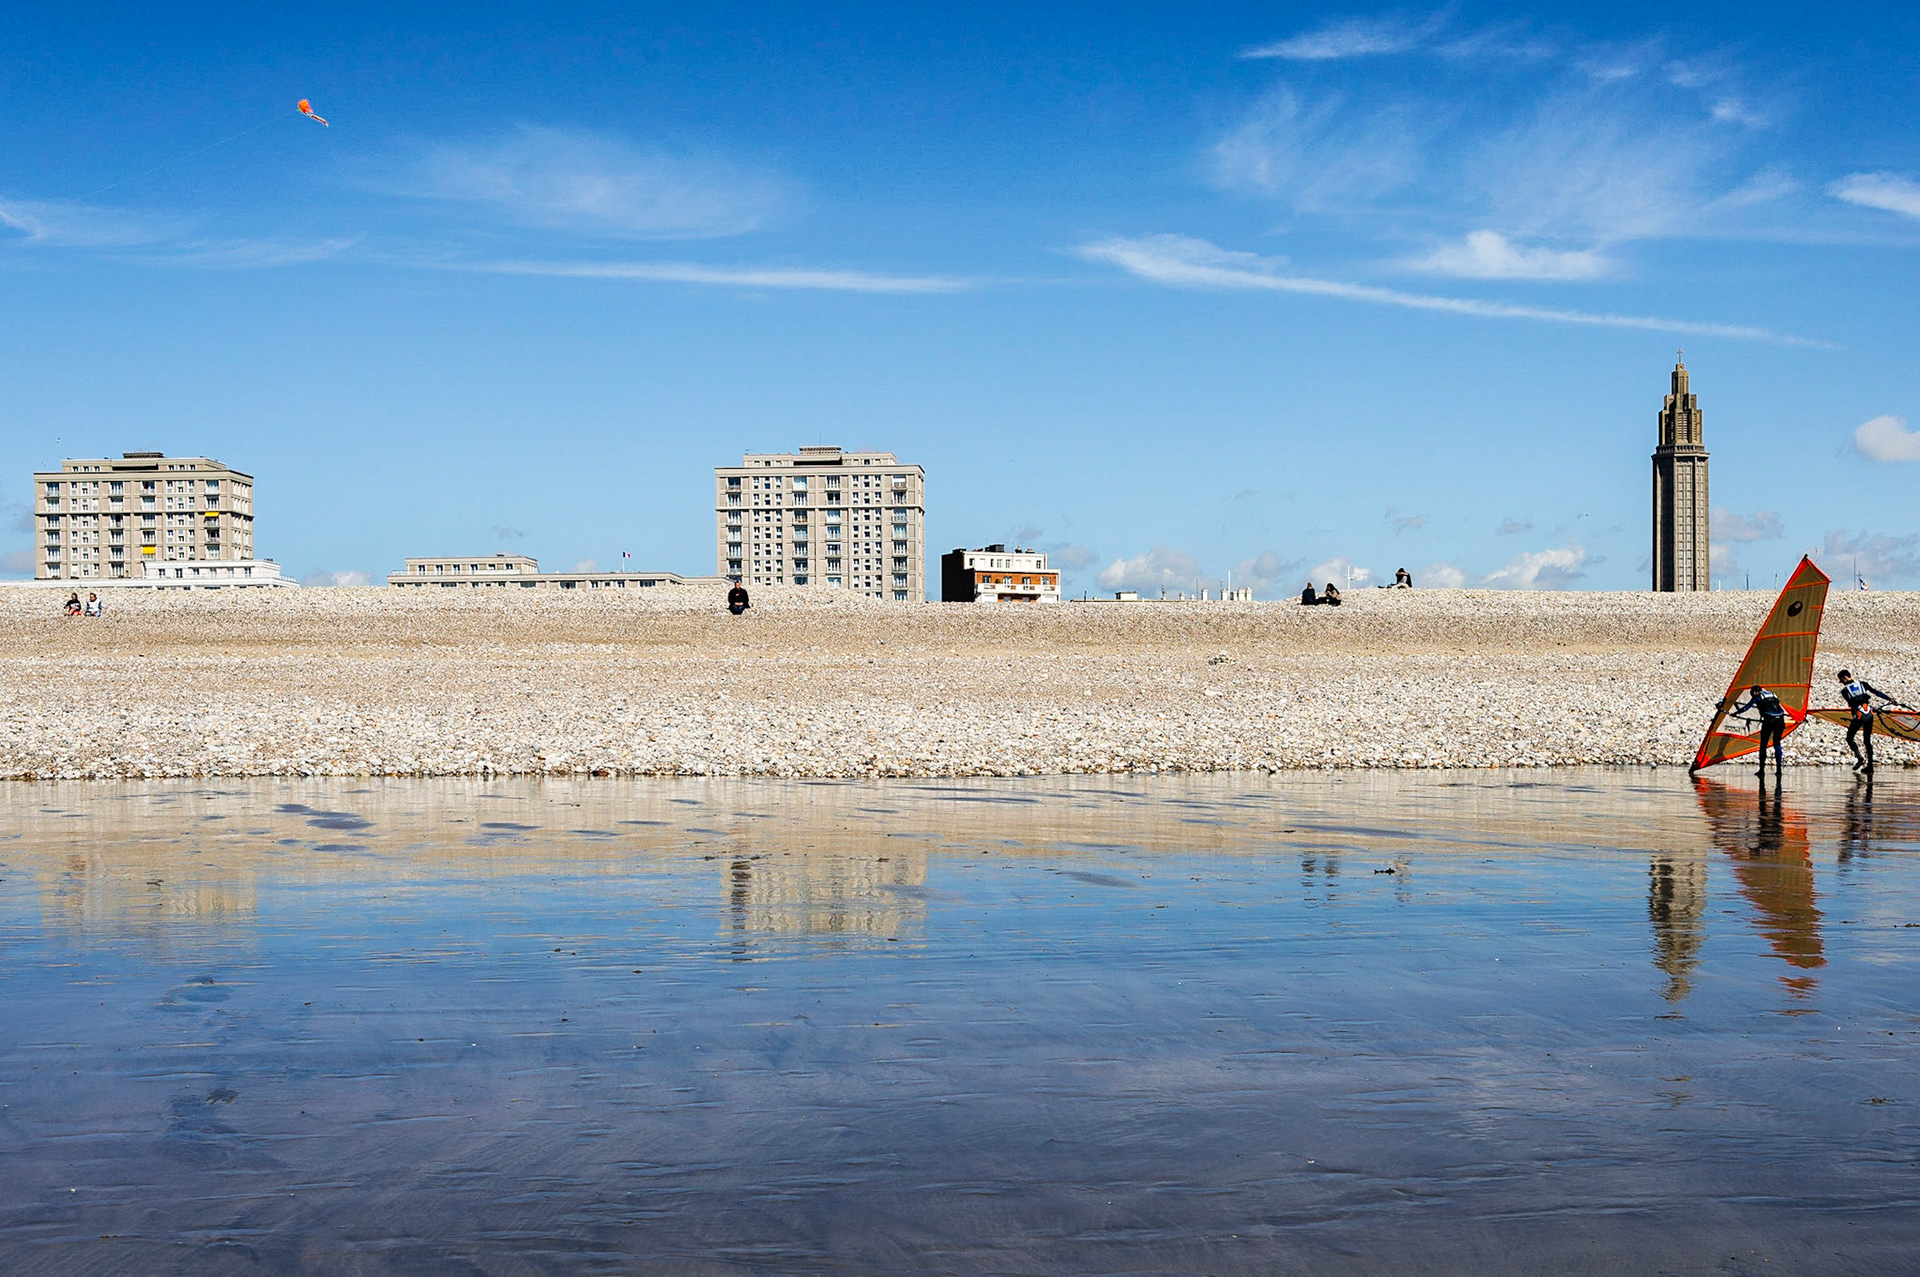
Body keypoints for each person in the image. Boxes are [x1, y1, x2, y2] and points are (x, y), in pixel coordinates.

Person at [1836, 669, 1898, 774]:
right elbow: (1876, 692)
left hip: (1858, 717)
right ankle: (1870, 767)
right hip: (1869, 714)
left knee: (1849, 737)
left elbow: (1852, 703)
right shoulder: (1863, 684)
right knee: (1867, 741)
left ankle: (1860, 758)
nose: (1841, 682)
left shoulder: (1844, 691)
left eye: (1841, 680)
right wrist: (1890, 699)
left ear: (1845, 677)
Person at [1724, 683, 1787, 776]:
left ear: (1754, 692)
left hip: (1769, 721)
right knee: (1777, 743)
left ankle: (1761, 771)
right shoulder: (1772, 694)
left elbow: (1746, 707)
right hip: (1781, 720)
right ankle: (1779, 771)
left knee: (1763, 745)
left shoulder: (1757, 697)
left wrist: (1735, 713)